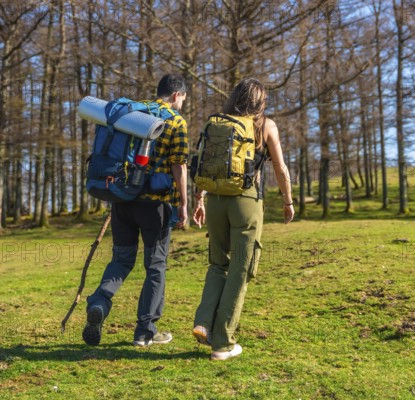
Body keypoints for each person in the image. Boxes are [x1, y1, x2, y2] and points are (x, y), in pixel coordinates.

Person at [82, 73, 189, 347]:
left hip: (123, 202)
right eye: (183, 99)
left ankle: (99, 303)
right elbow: (179, 165)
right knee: (155, 266)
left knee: (121, 260)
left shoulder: (132, 113)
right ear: (177, 95)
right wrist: (184, 203)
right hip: (155, 206)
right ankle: (145, 331)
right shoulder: (176, 121)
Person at [192, 78, 294, 360]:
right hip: (246, 202)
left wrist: (199, 198)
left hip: (214, 201)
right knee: (240, 267)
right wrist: (287, 201)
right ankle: (223, 343)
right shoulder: (265, 125)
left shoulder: (219, 123)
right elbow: (281, 169)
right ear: (261, 102)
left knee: (217, 264)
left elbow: (205, 161)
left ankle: (203, 322)